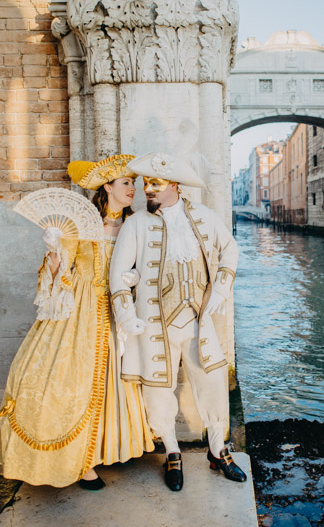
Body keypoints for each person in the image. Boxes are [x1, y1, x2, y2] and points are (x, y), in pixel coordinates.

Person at [0, 154, 154, 489]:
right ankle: (80, 463)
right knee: (70, 382)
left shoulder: (136, 224)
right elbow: (59, 276)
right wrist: (55, 251)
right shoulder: (80, 225)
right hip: (80, 314)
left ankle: (105, 449)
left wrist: (136, 276)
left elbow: (150, 269)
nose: (133, 190)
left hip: (119, 312)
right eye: (126, 183)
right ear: (107, 187)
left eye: (135, 184)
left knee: (116, 380)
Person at [109, 151, 247, 492]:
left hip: (199, 320)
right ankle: (172, 452)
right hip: (153, 324)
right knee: (158, 390)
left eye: (154, 184)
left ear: (174, 185)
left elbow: (230, 249)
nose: (147, 191)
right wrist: (127, 316)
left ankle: (218, 449)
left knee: (213, 381)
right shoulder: (135, 223)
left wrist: (221, 289)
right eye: (145, 184)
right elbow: (117, 275)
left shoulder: (204, 216)